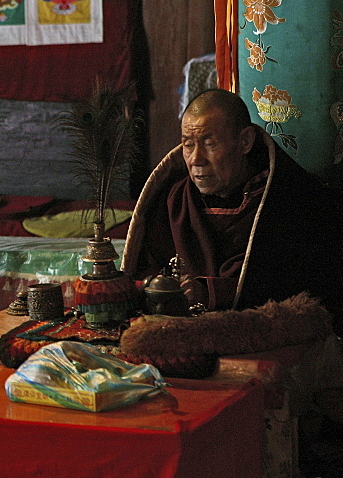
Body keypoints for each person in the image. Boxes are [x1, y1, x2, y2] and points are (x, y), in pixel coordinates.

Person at [122, 88, 342, 329]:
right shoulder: (173, 199)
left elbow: (297, 290)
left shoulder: (289, 201)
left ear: (245, 141)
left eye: (209, 144)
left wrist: (209, 292)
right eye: (188, 145)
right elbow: (145, 272)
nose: (196, 159)